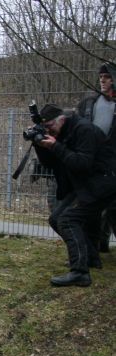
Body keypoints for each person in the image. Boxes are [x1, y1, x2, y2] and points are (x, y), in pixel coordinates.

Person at [32, 104, 116, 286]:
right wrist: (40, 145)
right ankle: (90, 258)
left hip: (103, 184)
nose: (49, 131)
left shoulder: (84, 130)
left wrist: (56, 146)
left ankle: (80, 272)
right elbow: (50, 163)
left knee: (67, 220)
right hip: (87, 185)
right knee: (56, 219)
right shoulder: (63, 132)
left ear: (62, 120)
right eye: (45, 128)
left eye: (50, 127)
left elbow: (82, 164)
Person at [76, 62, 116, 253]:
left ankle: (102, 241)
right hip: (91, 160)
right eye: (101, 77)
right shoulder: (89, 102)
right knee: (92, 206)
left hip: (112, 163)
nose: (103, 80)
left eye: (107, 77)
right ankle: (95, 246)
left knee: (112, 207)